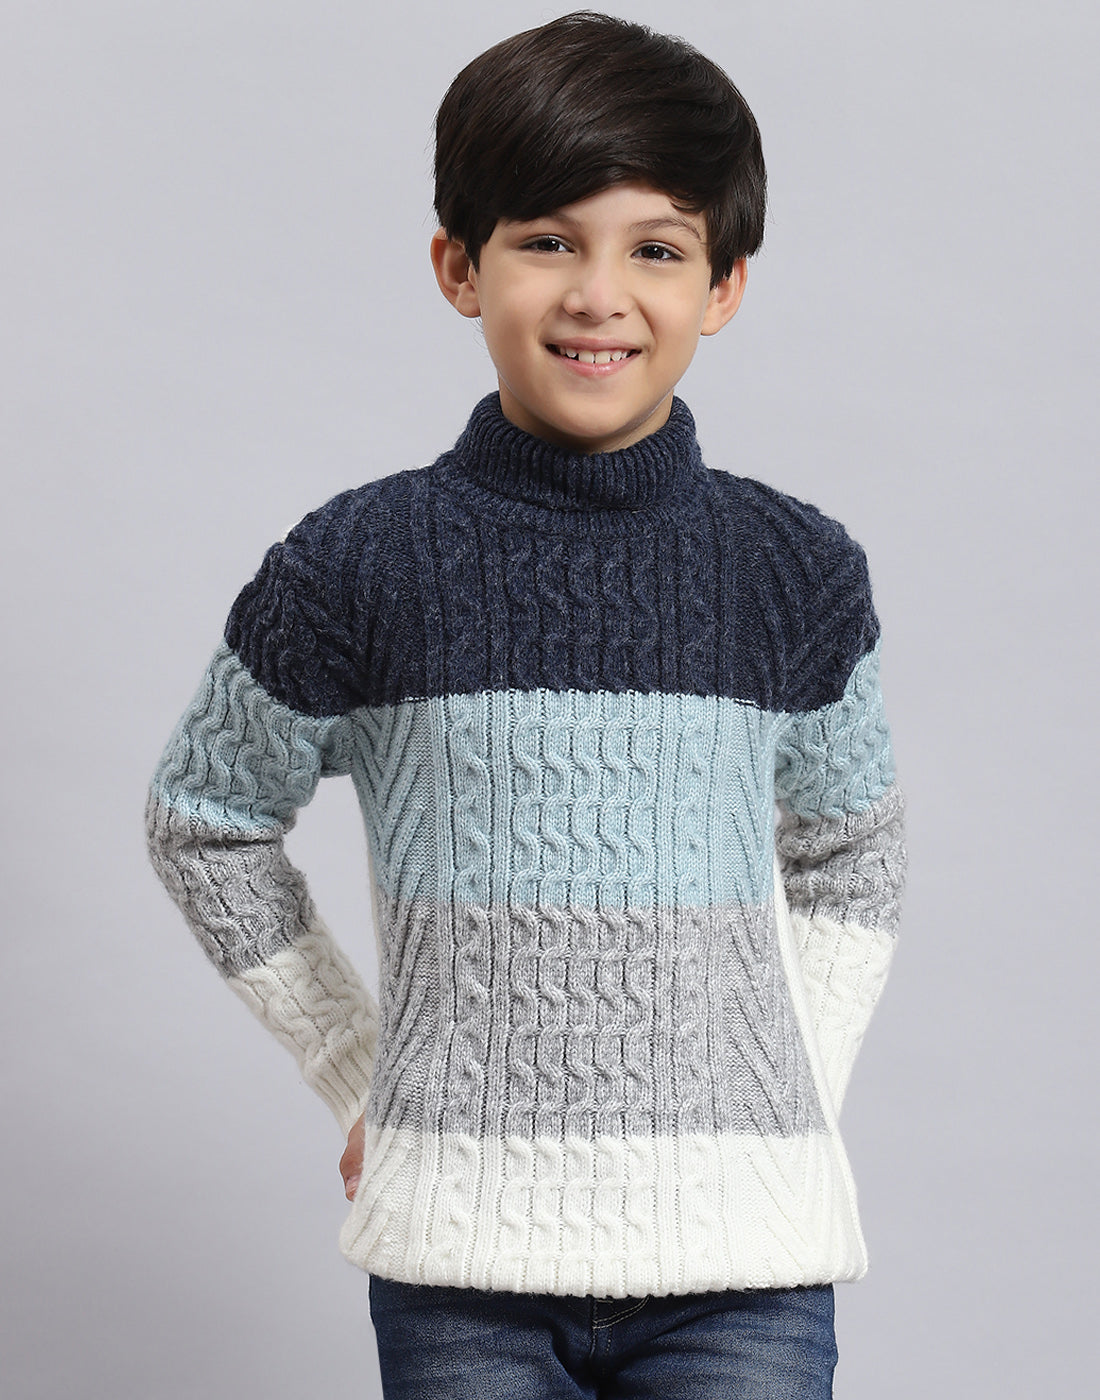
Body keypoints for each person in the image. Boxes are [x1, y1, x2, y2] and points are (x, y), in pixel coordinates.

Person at [147, 12, 905, 1397]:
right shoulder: (357, 563)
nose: (599, 295)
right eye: (549, 241)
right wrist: (358, 1069)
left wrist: (791, 1087)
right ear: (459, 266)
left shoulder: (793, 567)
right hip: (461, 1277)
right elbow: (206, 819)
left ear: (725, 286)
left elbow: (854, 848)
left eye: (657, 250)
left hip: (746, 1268)